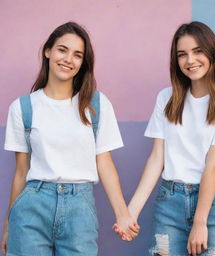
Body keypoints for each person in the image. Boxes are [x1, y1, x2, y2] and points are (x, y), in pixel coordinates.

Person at [1, 21, 139, 256]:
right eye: (62, 50)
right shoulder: (23, 108)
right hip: (32, 205)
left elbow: (104, 162)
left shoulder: (96, 105)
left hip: (80, 209)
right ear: (48, 51)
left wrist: (122, 213)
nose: (68, 59)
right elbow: (21, 172)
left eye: (77, 55)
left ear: (82, 63)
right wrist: (7, 226)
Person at [114, 21, 215, 256]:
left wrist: (200, 222)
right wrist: (130, 213)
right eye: (182, 54)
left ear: (212, 53)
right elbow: (157, 159)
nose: (190, 60)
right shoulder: (167, 98)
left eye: (198, 51)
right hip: (170, 203)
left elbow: (214, 164)